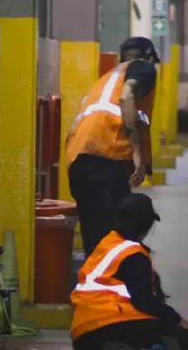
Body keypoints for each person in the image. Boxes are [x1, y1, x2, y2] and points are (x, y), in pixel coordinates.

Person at [70, 193, 188, 350]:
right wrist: (179, 321)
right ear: (145, 224)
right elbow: (145, 301)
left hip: (82, 337)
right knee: (182, 336)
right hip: (109, 326)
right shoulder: (133, 255)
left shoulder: (108, 243)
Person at [66, 37, 160, 254]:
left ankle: (96, 283)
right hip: (105, 159)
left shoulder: (108, 78)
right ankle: (107, 283)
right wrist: (137, 152)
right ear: (149, 58)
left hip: (81, 160)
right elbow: (127, 96)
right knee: (112, 237)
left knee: (96, 237)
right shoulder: (142, 69)